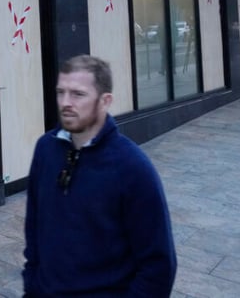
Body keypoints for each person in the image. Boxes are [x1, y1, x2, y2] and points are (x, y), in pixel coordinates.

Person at [22, 55, 177, 297]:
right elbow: (34, 227)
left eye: (78, 94)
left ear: (105, 101)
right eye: (60, 92)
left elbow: (158, 267)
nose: (65, 102)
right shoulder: (46, 149)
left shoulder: (132, 168)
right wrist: (32, 284)